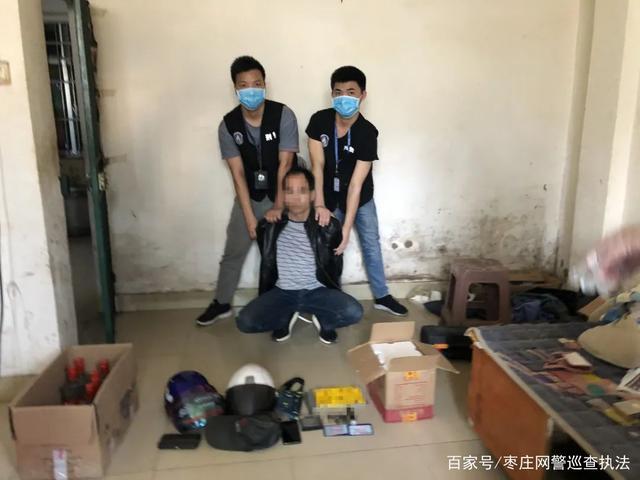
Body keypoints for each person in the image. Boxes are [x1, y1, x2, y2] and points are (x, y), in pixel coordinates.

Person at [196, 56, 299, 326]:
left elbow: (285, 164)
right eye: (244, 85)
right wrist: (250, 218)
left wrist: (278, 206)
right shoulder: (228, 125)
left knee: (281, 253)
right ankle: (221, 303)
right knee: (233, 251)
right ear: (235, 88)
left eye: (257, 83)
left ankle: (284, 304)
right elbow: (238, 174)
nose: (251, 90)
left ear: (265, 85)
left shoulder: (283, 115)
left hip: (283, 194)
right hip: (250, 195)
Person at [305, 65, 408, 316]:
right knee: (328, 245)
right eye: (338, 92)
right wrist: (319, 204)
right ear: (332, 94)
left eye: (351, 92)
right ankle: (330, 296)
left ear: (363, 95)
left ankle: (382, 296)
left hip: (360, 197)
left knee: (371, 244)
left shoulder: (367, 132)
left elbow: (355, 185)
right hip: (328, 195)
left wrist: (346, 228)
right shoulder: (319, 121)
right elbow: (317, 167)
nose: (344, 97)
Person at [236, 167, 363, 344]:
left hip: (317, 291)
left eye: (302, 191)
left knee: (354, 312)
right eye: (289, 191)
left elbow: (335, 264)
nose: (295, 197)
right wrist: (272, 213)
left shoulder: (326, 225)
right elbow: (267, 259)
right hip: (283, 292)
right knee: (245, 322)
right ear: (283, 195)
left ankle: (324, 320)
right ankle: (285, 316)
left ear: (312, 195)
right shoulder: (270, 226)